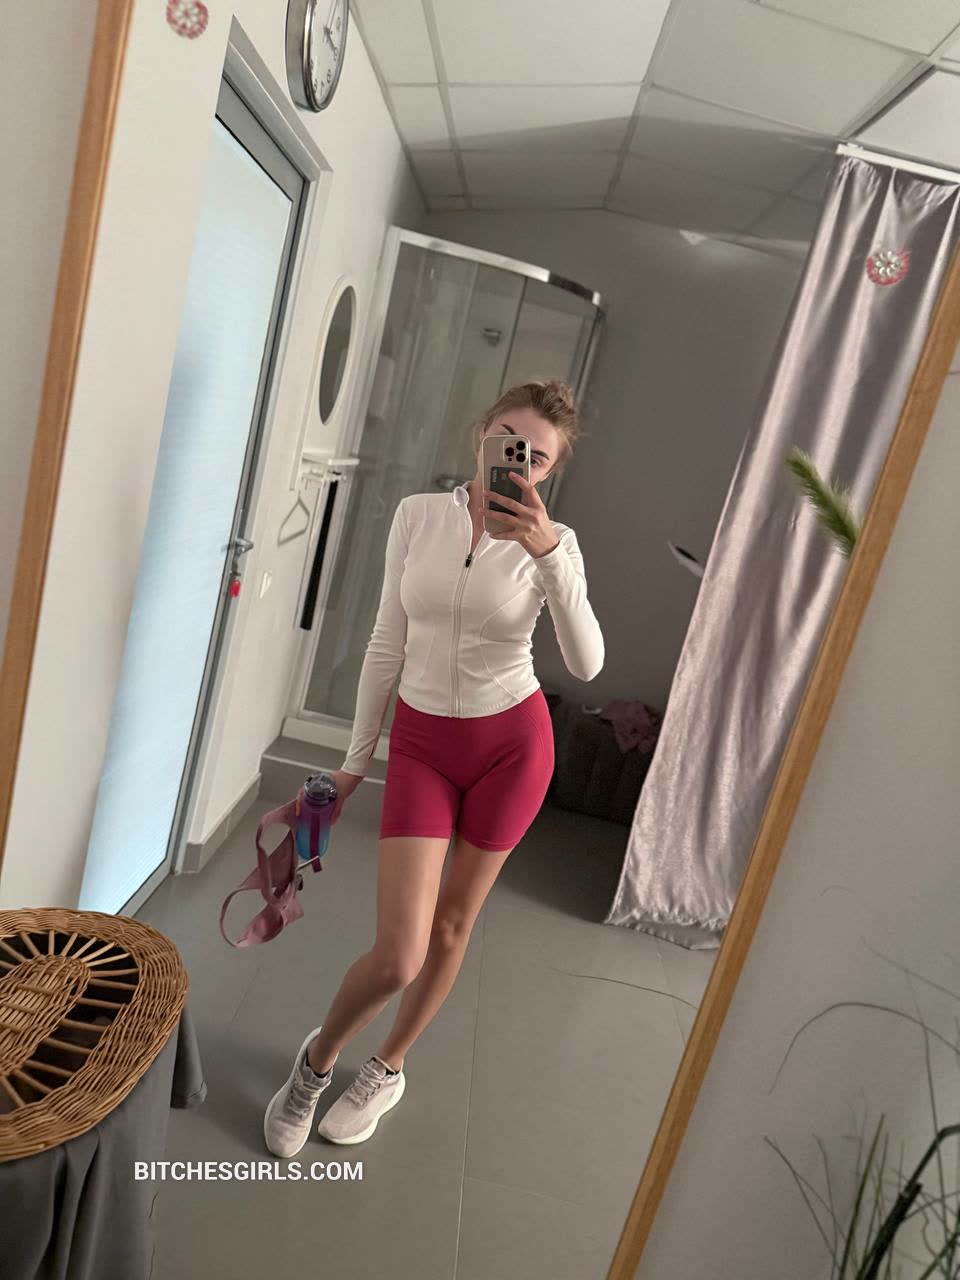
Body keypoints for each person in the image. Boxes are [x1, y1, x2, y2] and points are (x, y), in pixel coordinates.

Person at [264, 379, 604, 1156]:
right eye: (510, 439)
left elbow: (586, 662)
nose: (520, 460)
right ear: (483, 432)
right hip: (422, 744)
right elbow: (386, 642)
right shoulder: (418, 515)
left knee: (452, 928)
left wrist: (548, 555)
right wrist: (353, 764)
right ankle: (315, 1065)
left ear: (549, 471)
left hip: (512, 747)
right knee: (398, 955)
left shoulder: (555, 544)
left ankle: (386, 1068)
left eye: (538, 456)